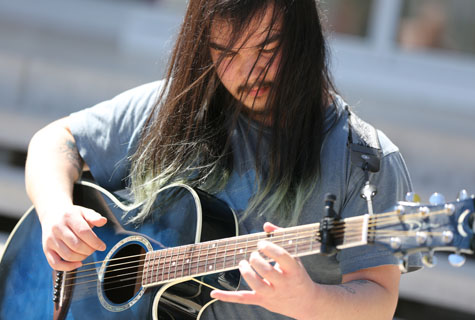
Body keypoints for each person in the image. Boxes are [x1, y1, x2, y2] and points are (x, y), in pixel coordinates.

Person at [25, 0, 419, 319]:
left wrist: (310, 300)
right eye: (226, 53)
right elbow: (55, 141)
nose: (248, 72)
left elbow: (380, 296)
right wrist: (56, 211)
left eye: (267, 47)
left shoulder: (366, 160)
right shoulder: (175, 107)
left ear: (304, 38)